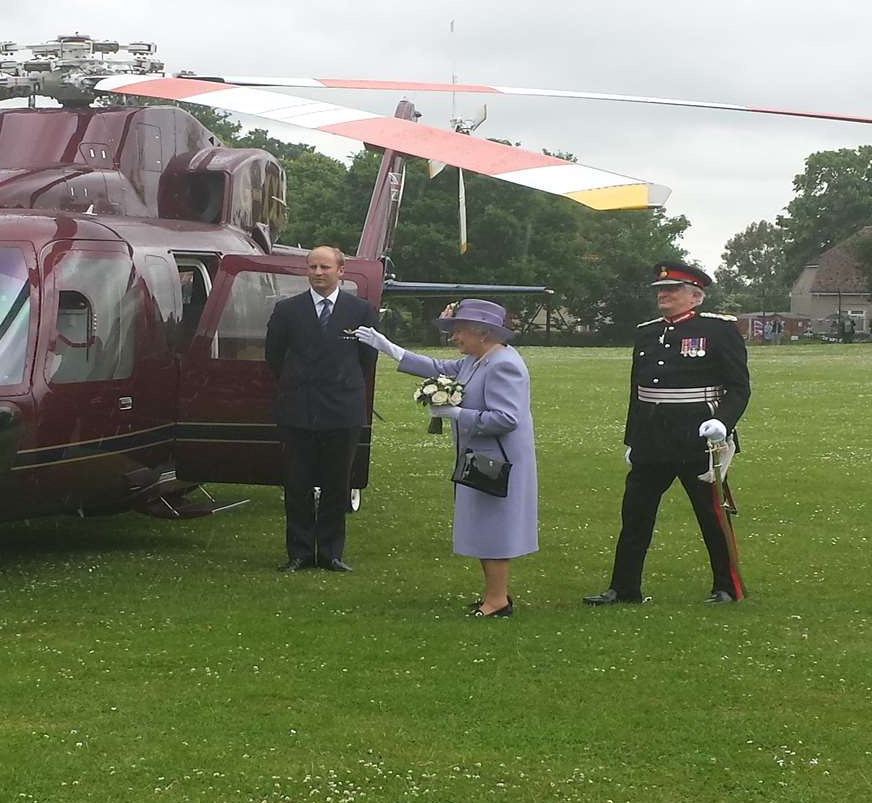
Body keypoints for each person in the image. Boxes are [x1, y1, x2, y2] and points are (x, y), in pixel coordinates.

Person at [353, 301, 538, 616]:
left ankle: (498, 600)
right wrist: (391, 350)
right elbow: (438, 369)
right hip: (480, 458)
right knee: (483, 525)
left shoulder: (504, 364)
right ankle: (494, 595)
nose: (453, 337)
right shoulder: (476, 359)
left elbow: (507, 418)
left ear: (483, 332)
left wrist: (456, 414)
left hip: (498, 461)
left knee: (495, 527)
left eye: (458, 330)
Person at [584, 262, 750, 606]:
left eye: (672, 290)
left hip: (698, 437)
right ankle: (624, 587)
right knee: (635, 515)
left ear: (695, 296)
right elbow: (638, 390)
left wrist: (723, 422)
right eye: (661, 290)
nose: (663, 295)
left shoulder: (718, 331)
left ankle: (727, 586)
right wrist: (631, 439)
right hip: (652, 438)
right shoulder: (646, 332)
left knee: (711, 515)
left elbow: (738, 387)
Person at [264, 246, 376, 572]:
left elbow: (366, 360)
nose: (317, 272)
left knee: (336, 484)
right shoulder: (287, 310)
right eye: (312, 266)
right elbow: (275, 357)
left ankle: (330, 553)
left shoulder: (360, 311)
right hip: (297, 410)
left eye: (325, 267)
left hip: (342, 411)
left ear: (341, 271)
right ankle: (299, 552)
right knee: (296, 484)